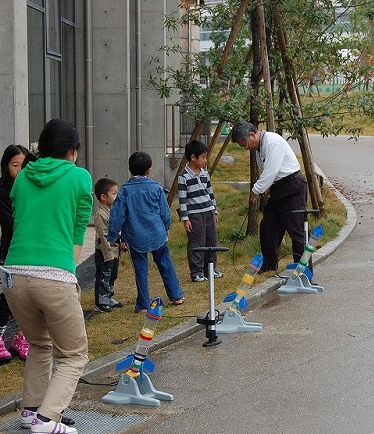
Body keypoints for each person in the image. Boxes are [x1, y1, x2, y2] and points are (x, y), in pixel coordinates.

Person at [2, 118, 92, 434]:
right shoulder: (79, 177)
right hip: (53, 275)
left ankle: (30, 411)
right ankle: (47, 417)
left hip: (13, 273)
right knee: (73, 353)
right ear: (72, 151)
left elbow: (20, 215)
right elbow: (80, 226)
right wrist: (68, 267)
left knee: (39, 344)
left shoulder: (23, 176)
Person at [107, 151, 185, 313]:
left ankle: (143, 304)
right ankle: (176, 295)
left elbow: (117, 215)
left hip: (135, 237)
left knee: (141, 270)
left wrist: (113, 236)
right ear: (149, 170)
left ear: (129, 169)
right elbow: (164, 213)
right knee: (166, 264)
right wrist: (166, 229)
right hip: (157, 233)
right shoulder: (156, 188)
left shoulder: (124, 191)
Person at [231, 121, 308, 272]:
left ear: (252, 135)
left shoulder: (273, 142)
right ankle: (269, 266)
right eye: (242, 146)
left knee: (296, 230)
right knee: (268, 227)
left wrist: (256, 190)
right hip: (278, 188)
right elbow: (271, 172)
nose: (246, 148)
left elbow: (271, 171)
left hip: (292, 187)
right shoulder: (260, 147)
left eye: (245, 144)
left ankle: (302, 270)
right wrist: (267, 187)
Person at [0, 144, 34, 363]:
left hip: (32, 252)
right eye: (15, 165)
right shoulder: (2, 192)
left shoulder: (30, 187)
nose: (19, 170)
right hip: (11, 252)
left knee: (28, 299)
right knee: (8, 298)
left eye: (23, 166)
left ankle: (21, 338)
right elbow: (13, 225)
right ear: (6, 166)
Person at [177, 139, 221, 282]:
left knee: (211, 240)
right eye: (203, 157)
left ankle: (210, 268)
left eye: (206, 157)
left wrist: (215, 211)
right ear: (193, 157)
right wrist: (185, 219)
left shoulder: (205, 174)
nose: (205, 160)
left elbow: (210, 193)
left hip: (208, 211)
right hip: (195, 214)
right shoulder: (183, 177)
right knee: (197, 242)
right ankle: (196, 271)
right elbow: (182, 200)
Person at [93, 177, 125, 313]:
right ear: (103, 197)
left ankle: (109, 296)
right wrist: (108, 255)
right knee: (103, 276)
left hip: (115, 250)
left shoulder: (114, 211)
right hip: (105, 252)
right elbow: (103, 236)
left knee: (113, 274)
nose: (116, 196)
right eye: (114, 193)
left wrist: (122, 242)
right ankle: (101, 300)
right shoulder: (101, 214)